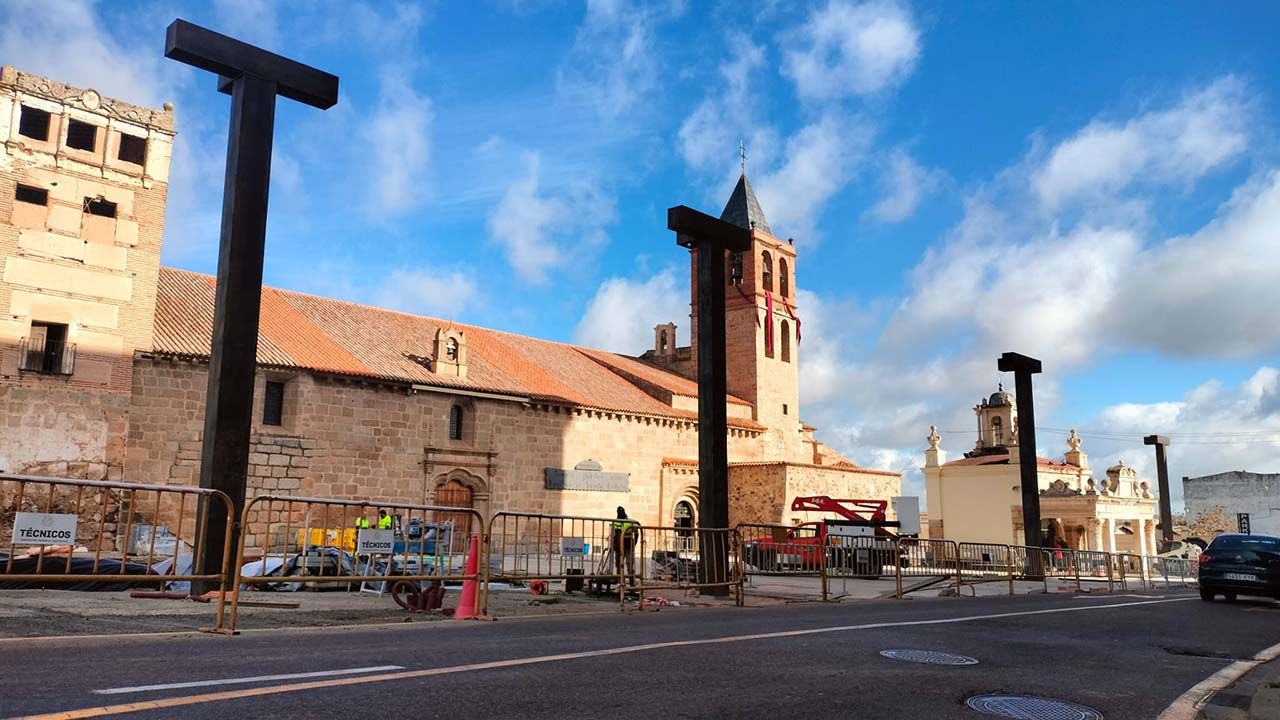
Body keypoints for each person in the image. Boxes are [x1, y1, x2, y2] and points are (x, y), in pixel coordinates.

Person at [611, 506, 639, 586]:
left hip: (627, 545)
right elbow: (616, 534)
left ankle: (629, 582)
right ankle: (621, 581)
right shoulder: (619, 521)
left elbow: (636, 532)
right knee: (620, 564)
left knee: (628, 564)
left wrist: (634, 543)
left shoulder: (628, 522)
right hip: (622, 546)